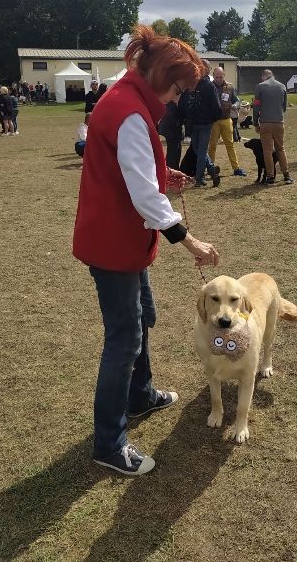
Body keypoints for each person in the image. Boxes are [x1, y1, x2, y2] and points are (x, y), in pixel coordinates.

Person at [73, 24, 219, 476]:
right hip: (115, 243)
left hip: (123, 240)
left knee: (144, 319)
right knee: (124, 340)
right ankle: (109, 443)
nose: (177, 99)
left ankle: (140, 396)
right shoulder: (130, 111)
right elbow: (142, 196)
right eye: (178, 89)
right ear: (159, 74)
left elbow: (133, 169)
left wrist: (163, 175)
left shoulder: (125, 99)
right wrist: (189, 239)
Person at [178, 60, 221, 188]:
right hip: (204, 122)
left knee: (198, 149)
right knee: (200, 150)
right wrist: (213, 118)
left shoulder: (191, 84)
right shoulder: (208, 85)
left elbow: (183, 103)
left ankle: (203, 175)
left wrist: (185, 118)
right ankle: (203, 175)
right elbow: (216, 106)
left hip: (193, 122)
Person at [253, 69, 293, 185]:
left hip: (265, 123)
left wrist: (256, 123)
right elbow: (284, 107)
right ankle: (286, 175)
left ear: (263, 77)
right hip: (279, 122)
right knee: (280, 148)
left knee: (267, 151)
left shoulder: (260, 87)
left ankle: (270, 176)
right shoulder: (282, 86)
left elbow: (256, 107)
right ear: (272, 76)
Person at [208, 67, 246, 176]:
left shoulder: (229, 87)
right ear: (213, 76)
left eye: (221, 77)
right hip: (214, 121)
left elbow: (237, 99)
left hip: (226, 120)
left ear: (224, 75)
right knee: (212, 145)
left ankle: (236, 168)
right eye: (216, 77)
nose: (219, 79)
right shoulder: (210, 87)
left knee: (230, 145)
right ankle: (210, 168)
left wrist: (236, 105)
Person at [158, 101, 183, 170]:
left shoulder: (171, 99)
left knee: (176, 151)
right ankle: (170, 169)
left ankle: (174, 169)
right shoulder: (172, 101)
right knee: (173, 152)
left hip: (172, 128)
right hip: (171, 128)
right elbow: (170, 114)